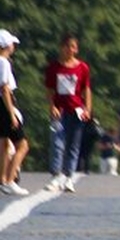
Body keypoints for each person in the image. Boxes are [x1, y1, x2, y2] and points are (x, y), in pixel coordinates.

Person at [44, 33, 93, 193]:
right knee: (57, 143)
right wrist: (52, 106)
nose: (71, 49)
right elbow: (50, 89)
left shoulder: (82, 68)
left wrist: (88, 108)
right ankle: (55, 177)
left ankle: (69, 177)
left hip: (76, 110)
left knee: (73, 145)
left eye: (74, 47)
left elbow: (86, 89)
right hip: (60, 111)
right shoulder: (54, 67)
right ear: (62, 47)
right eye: (68, 46)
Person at [0, 30, 30, 196]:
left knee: (4, 144)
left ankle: (3, 180)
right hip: (4, 105)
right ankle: (10, 180)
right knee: (22, 145)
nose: (13, 47)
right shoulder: (4, 62)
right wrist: (12, 113)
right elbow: (4, 88)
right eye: (11, 44)